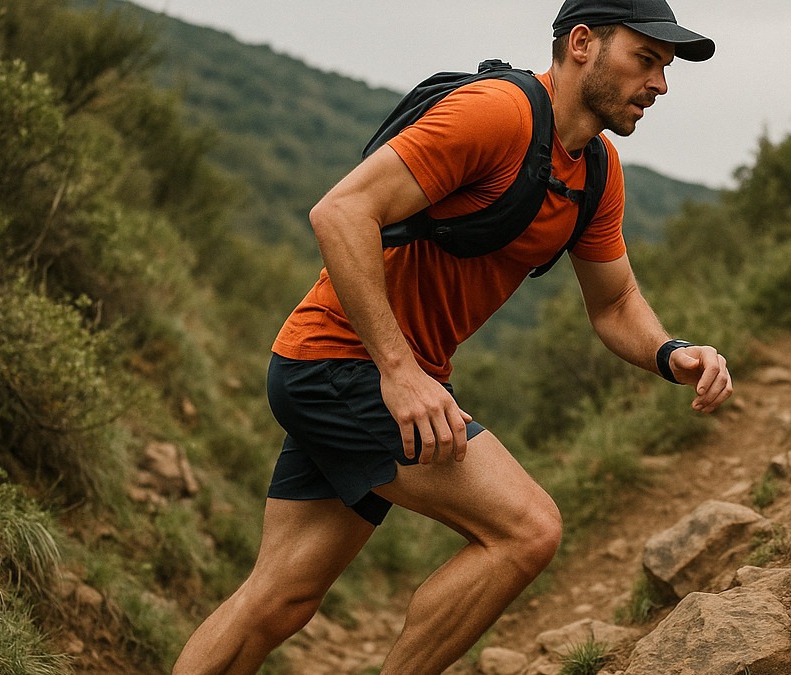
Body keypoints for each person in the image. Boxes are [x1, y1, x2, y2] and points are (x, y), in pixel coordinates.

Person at [172, 1, 731, 673]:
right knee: (527, 530)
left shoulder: (596, 173)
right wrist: (402, 373)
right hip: (347, 365)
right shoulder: (498, 114)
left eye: (665, 69)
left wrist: (673, 354)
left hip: (356, 373)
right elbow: (341, 211)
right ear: (582, 42)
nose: (660, 85)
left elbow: (614, 304)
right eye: (646, 59)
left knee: (279, 597)